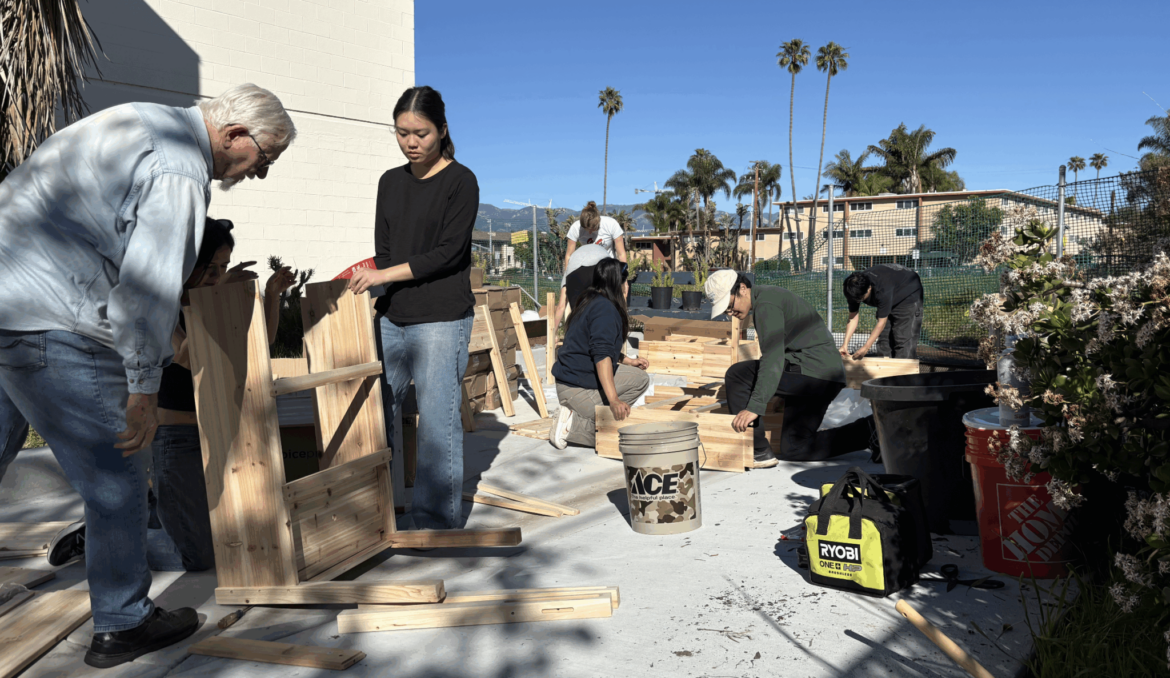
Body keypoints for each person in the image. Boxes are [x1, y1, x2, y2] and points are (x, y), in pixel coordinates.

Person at [0, 83, 295, 669]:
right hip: (56, 321)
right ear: (234, 134)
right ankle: (123, 621)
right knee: (117, 475)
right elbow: (148, 288)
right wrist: (142, 387)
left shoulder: (134, 121)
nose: (259, 173)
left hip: (9, 304)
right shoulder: (179, 170)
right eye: (264, 158)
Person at [347, 86, 478, 531]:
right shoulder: (389, 182)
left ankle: (434, 526)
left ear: (442, 130)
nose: (411, 142)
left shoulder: (461, 181)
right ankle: (374, 519)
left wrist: (383, 275)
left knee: (436, 427)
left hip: (442, 319)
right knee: (374, 418)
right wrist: (378, 294)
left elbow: (449, 254)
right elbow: (384, 250)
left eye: (421, 133)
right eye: (402, 133)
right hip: (392, 318)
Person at [706, 270, 872, 467]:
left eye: (729, 305)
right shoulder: (768, 298)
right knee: (795, 447)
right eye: (725, 310)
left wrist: (754, 407)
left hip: (813, 373)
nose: (729, 313)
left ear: (742, 288)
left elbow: (772, 359)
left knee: (737, 375)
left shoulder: (766, 305)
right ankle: (870, 431)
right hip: (823, 377)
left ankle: (757, 450)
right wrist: (777, 390)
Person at [550, 258, 650, 450]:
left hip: (571, 383)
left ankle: (594, 416)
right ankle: (573, 426)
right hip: (576, 390)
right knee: (619, 437)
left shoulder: (591, 300)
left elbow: (593, 345)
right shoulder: (605, 310)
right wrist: (614, 400)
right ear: (617, 283)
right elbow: (602, 356)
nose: (627, 286)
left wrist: (628, 361)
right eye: (625, 281)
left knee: (638, 377)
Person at [840, 263, 924, 359]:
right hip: (891, 289)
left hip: (907, 294)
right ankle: (885, 367)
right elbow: (852, 318)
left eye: (861, 299)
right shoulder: (852, 290)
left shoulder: (882, 290)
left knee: (903, 339)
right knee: (884, 341)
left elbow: (881, 322)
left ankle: (905, 368)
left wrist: (866, 347)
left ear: (869, 288)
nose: (858, 302)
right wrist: (844, 345)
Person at [551, 243, 609, 336]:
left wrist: (553, 335)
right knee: (606, 306)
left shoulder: (569, 273)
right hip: (604, 263)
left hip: (578, 272)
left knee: (578, 314)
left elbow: (561, 307)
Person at [562, 201, 627, 269]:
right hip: (588, 268)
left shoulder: (611, 224)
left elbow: (621, 254)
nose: (590, 233)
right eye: (586, 229)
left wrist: (624, 274)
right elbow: (569, 256)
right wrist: (567, 275)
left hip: (608, 268)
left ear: (598, 222)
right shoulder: (576, 228)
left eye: (593, 229)